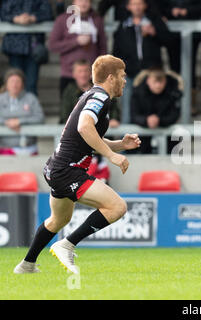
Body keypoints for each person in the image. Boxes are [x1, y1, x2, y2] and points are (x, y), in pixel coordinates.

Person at [13, 55, 141, 274]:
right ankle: (67, 244)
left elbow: (85, 136)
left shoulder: (92, 95)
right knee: (117, 207)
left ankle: (26, 265)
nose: (125, 81)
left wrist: (120, 144)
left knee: (59, 219)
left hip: (56, 168)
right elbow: (84, 127)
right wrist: (111, 155)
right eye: (122, 76)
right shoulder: (100, 96)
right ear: (111, 77)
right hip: (68, 170)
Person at [112, 0, 173, 124]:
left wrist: (155, 32)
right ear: (128, 7)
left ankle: (148, 141)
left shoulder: (155, 21)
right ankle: (127, 139)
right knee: (128, 109)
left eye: (140, 3)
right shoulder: (123, 25)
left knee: (151, 108)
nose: (137, 7)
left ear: (145, 5)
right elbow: (116, 52)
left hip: (151, 74)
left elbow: (170, 41)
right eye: (134, 4)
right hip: (129, 74)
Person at [48, 0, 107, 96]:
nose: (83, 3)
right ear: (73, 2)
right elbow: (53, 45)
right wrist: (76, 42)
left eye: (86, 1)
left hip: (91, 76)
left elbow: (102, 47)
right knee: (68, 109)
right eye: (80, 0)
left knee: (92, 109)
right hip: (69, 74)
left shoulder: (97, 20)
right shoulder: (62, 19)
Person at [0, 0, 53, 95]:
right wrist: (16, 18)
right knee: (15, 83)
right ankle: (15, 109)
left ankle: (30, 109)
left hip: (33, 48)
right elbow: (3, 12)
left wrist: (33, 18)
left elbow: (48, 12)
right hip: (14, 47)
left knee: (31, 85)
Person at [130, 68, 182, 153]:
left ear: (166, 81)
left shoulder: (173, 92)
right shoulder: (138, 92)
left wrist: (159, 120)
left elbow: (175, 114)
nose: (158, 85)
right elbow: (134, 115)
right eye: (155, 82)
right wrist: (146, 120)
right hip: (142, 134)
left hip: (167, 133)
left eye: (161, 82)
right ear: (148, 80)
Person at [60, 59, 121, 127]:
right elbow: (65, 115)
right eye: (80, 71)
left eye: (86, 71)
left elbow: (113, 107)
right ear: (74, 74)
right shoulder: (69, 91)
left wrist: (114, 119)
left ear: (91, 73)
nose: (83, 74)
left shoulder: (102, 88)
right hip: (78, 132)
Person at [0, 68, 45, 156]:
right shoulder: (1, 99)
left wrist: (19, 122)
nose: (14, 84)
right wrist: (7, 122)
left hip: (30, 148)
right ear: (6, 84)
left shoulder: (31, 98)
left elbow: (40, 117)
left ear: (22, 84)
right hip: (5, 149)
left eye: (17, 81)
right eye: (12, 81)